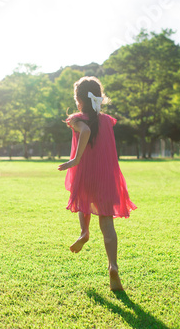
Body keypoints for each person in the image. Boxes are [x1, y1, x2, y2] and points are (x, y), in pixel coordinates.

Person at [58, 76, 137, 291]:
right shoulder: (107, 120)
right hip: (106, 176)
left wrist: (75, 159)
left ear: (79, 100)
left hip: (86, 175)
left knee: (84, 204)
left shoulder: (76, 119)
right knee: (107, 225)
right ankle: (113, 265)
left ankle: (84, 233)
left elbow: (86, 131)